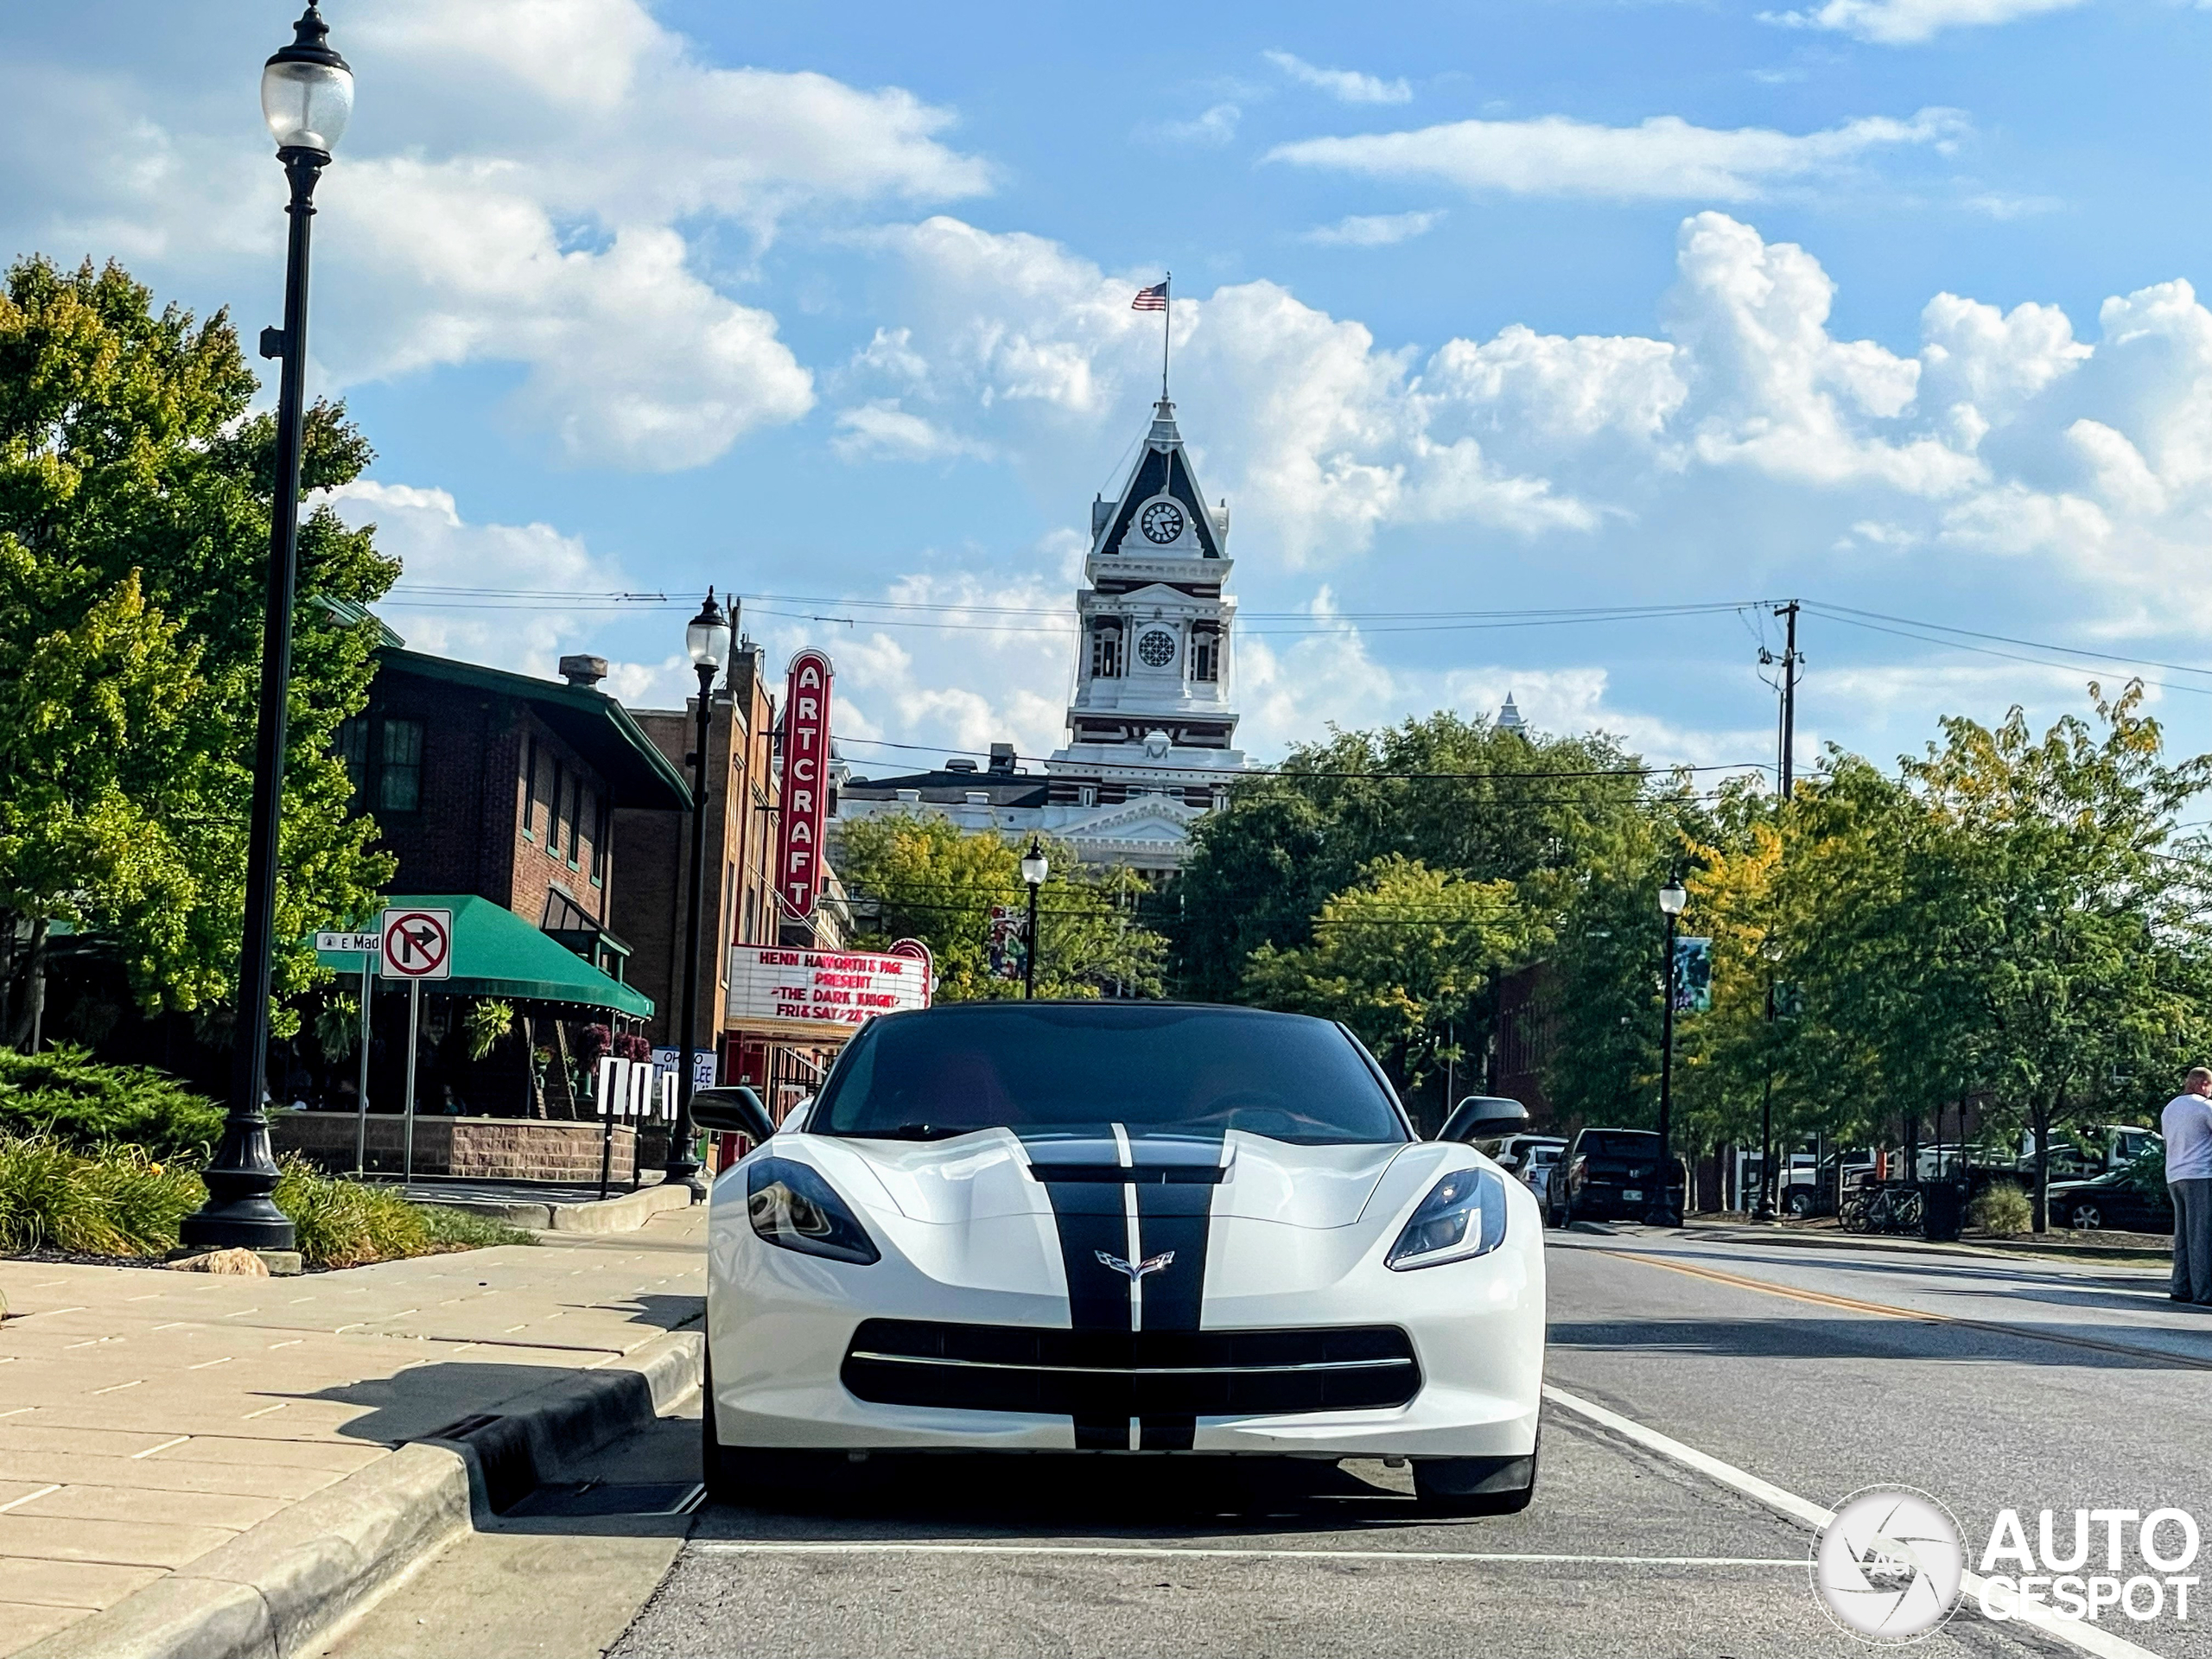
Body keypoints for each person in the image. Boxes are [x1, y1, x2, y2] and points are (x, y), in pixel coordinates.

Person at [2162, 1067, 2212, 1305]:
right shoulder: (2205, 1107)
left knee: (2182, 1234)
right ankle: (2204, 1292)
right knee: (2201, 1234)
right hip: (2201, 1175)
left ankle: (2180, 1287)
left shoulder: (2170, 1108)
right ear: (2203, 1084)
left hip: (2175, 1175)